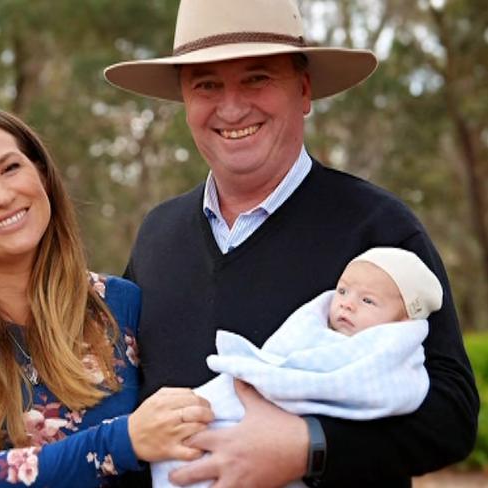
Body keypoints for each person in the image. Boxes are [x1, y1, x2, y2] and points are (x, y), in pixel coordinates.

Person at [104, 0, 479, 486]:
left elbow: (452, 415)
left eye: (257, 78)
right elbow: (125, 403)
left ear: (303, 90)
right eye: (206, 84)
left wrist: (310, 447)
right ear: (184, 99)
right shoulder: (157, 234)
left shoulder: (378, 227)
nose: (232, 106)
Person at [0, 103, 213, 487]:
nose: (2, 195)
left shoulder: (120, 305)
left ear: (42, 175)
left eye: (10, 167)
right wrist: (123, 442)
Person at [152, 247, 443, 488]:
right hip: (216, 413)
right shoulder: (311, 329)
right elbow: (279, 358)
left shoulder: (384, 356)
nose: (347, 305)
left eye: (368, 300)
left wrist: (307, 443)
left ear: (403, 321)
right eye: (342, 291)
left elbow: (437, 418)